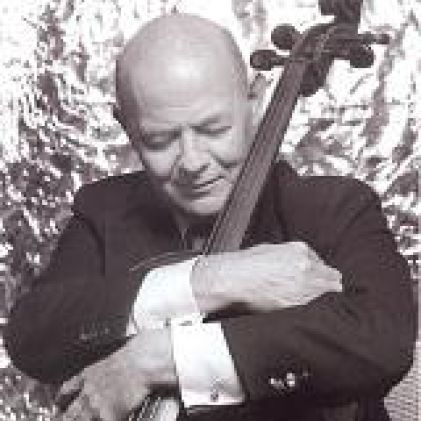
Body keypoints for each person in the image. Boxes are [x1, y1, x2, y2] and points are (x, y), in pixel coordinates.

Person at [5, 13, 416, 421]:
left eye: (214, 129)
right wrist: (210, 281)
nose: (192, 162)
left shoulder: (334, 209)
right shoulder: (104, 210)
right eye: (159, 139)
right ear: (125, 126)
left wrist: (156, 359)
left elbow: (380, 341)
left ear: (254, 100)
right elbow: (33, 335)